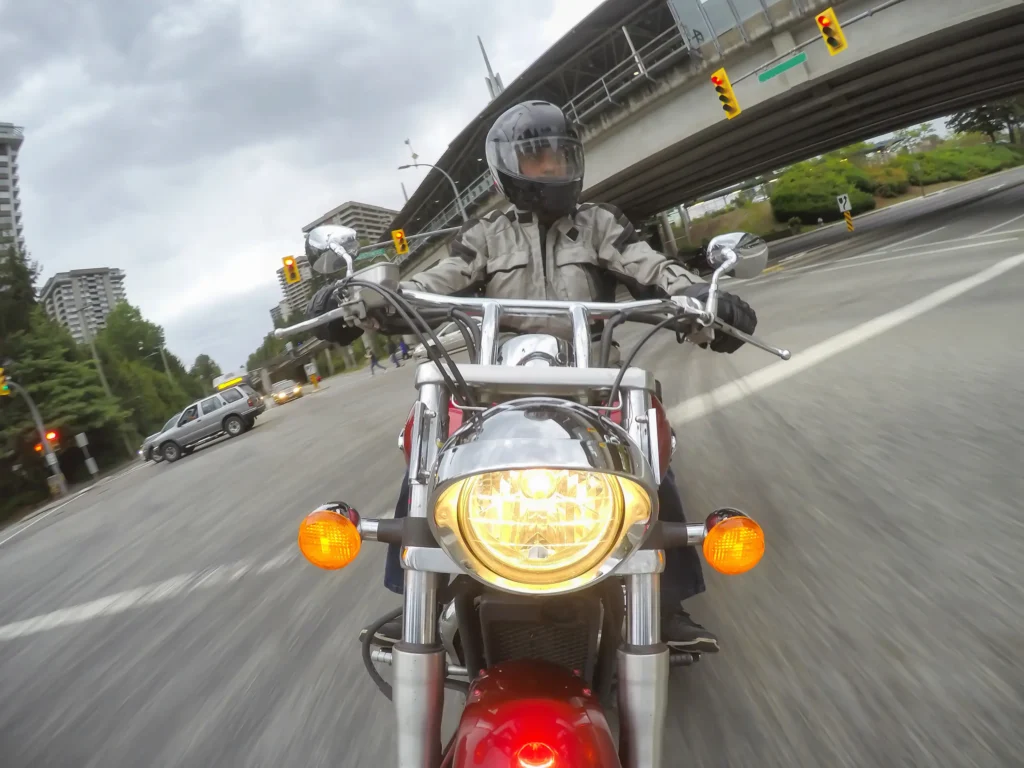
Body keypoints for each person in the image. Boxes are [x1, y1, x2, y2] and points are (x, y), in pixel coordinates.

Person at [305, 100, 758, 654]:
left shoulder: (600, 223)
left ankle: (668, 602)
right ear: (508, 169)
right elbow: (429, 284)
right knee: (425, 441)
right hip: (496, 395)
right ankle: (414, 597)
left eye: (559, 156)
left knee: (650, 448)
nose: (552, 169)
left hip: (595, 389)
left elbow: (649, 266)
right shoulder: (486, 236)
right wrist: (360, 302)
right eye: (538, 159)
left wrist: (701, 298)